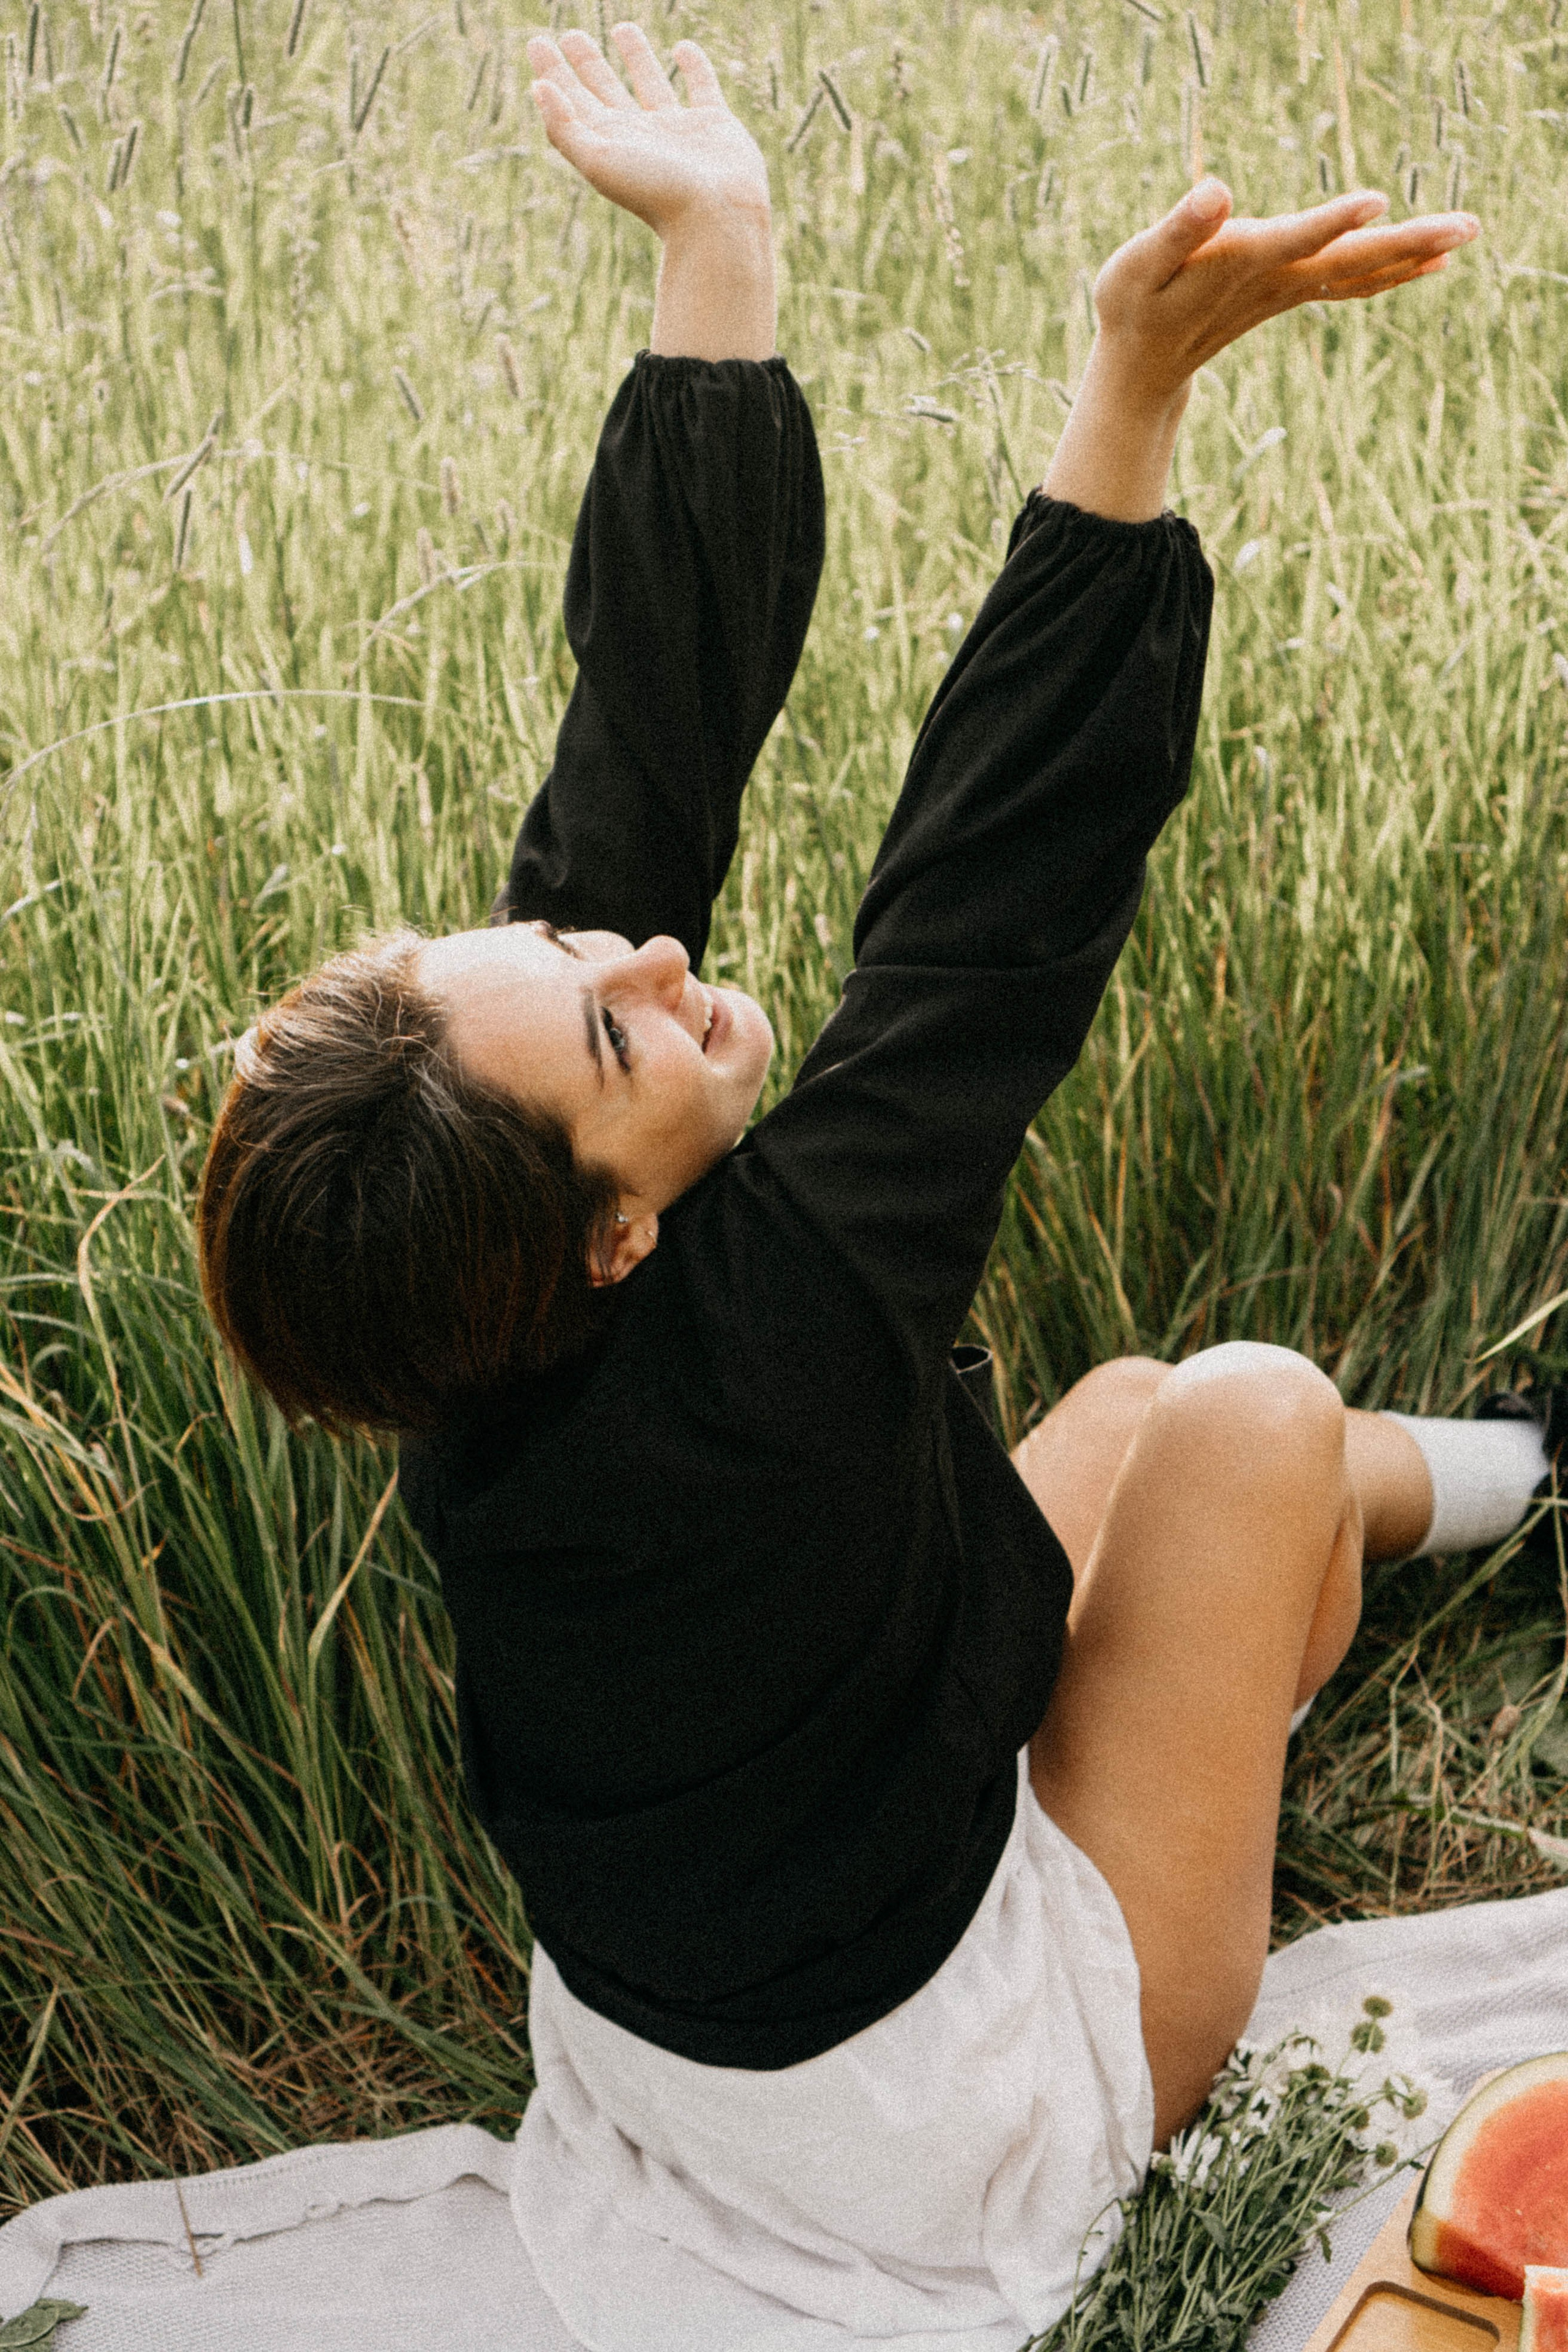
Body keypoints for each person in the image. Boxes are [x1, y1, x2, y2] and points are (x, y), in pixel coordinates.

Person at [194, 28, 1554, 2350]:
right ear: (617, 1231)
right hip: (957, 2128)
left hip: (729, 1987)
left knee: (1118, 1415)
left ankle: (1521, 1484)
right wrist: (1128, 397)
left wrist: (719, 248)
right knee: (1233, 1418)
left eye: (541, 946)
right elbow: (986, 920)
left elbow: (641, 755)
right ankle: (1480, 1500)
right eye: (614, 1024)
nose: (641, 954)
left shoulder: (471, 1290)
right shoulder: (768, 1352)